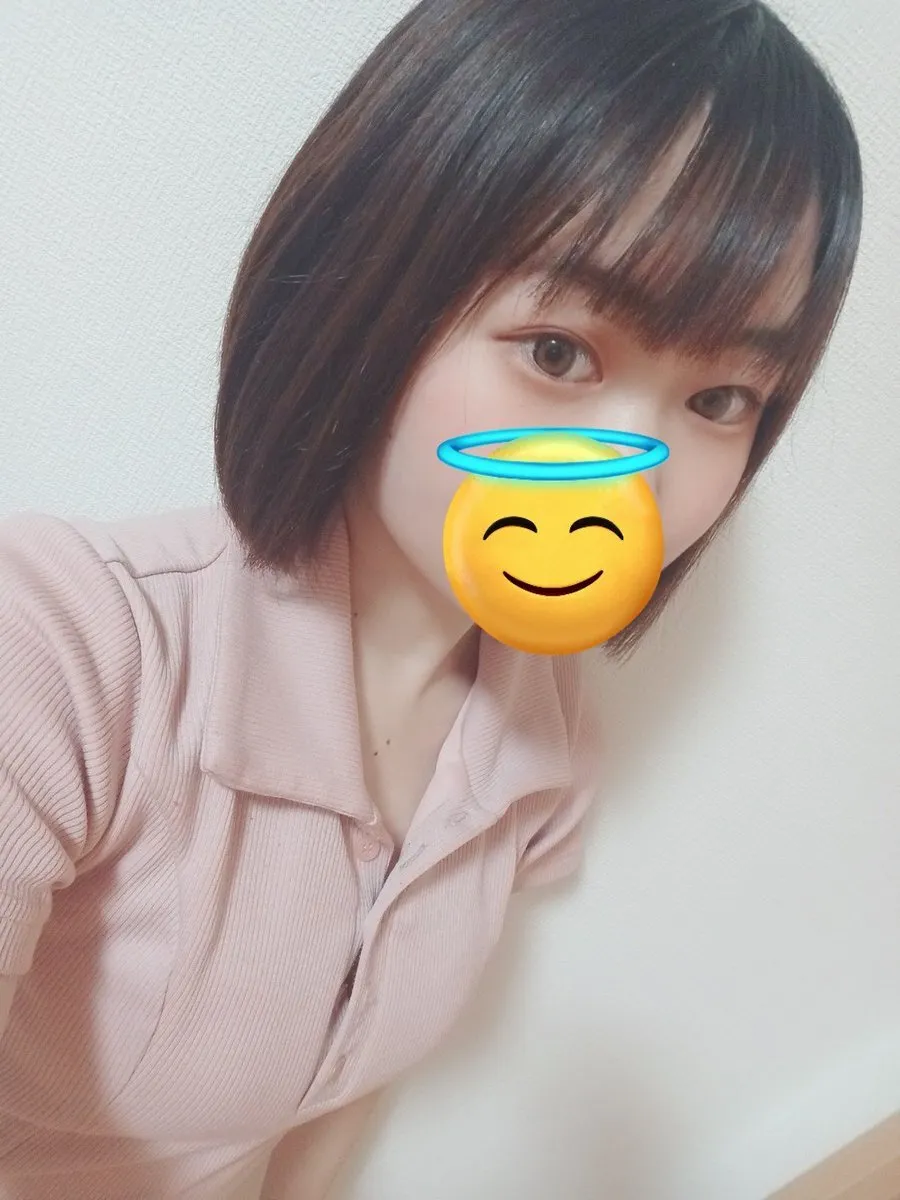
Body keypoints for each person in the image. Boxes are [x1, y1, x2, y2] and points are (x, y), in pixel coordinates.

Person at [0, 0, 862, 1196]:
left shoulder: (540, 753)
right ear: (374, 296)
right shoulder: (59, 651)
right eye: (558, 351)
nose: (638, 476)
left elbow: (334, 1098)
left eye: (721, 400)